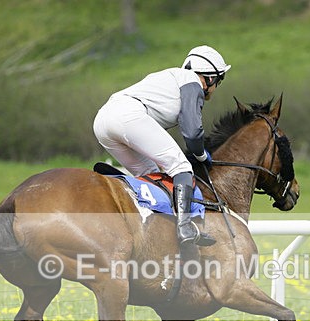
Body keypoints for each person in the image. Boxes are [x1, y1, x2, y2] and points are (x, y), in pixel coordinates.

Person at [93, 45, 231, 246]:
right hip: (128, 116)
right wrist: (202, 155)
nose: (216, 87)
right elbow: (192, 133)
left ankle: (147, 227)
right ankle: (185, 228)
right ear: (209, 78)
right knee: (181, 167)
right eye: (219, 80)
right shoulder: (192, 82)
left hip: (102, 121)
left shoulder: (170, 77)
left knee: (152, 174)